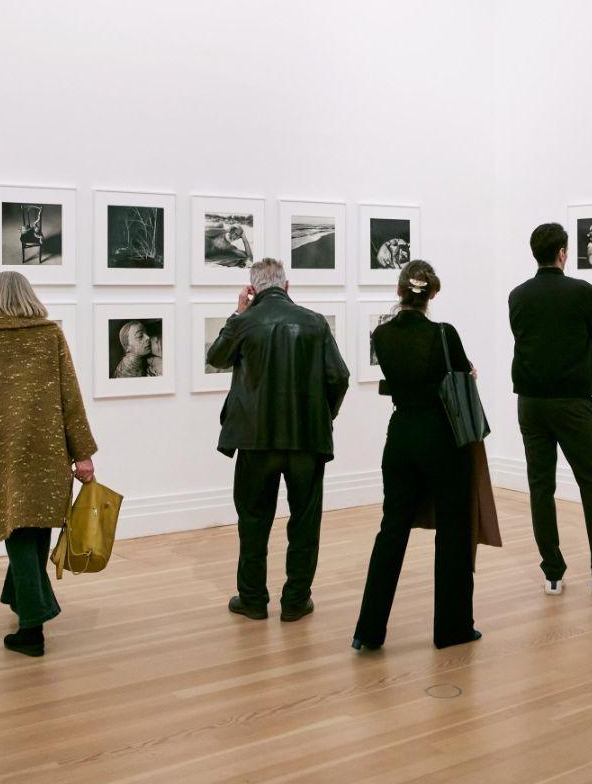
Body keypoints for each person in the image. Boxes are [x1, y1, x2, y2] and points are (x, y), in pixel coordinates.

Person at [0, 271, 97, 657]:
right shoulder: (50, 337)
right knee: (33, 527)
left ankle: (32, 628)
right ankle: (19, 599)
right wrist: (82, 454)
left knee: (17, 530)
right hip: (48, 452)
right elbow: (71, 398)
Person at [207, 257, 349, 622]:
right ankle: (296, 600)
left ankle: (253, 599)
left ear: (252, 290)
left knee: (253, 520)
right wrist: (323, 415)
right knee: (304, 521)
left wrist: (237, 314)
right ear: (287, 286)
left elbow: (216, 357)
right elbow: (340, 377)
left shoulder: (246, 322)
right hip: (306, 441)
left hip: (256, 442)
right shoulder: (315, 323)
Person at [353, 260, 484, 650]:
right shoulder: (444, 334)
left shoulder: (381, 335)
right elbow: (462, 374)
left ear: (399, 292)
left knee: (391, 530)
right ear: (433, 295)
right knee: (454, 531)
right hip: (443, 438)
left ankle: (368, 631)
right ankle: (452, 628)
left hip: (400, 437)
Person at [509, 223, 592, 598]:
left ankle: (552, 573)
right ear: (563, 253)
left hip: (530, 402)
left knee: (540, 486)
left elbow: (523, 336)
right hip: (571, 402)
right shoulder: (581, 292)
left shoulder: (517, 296)